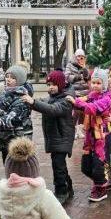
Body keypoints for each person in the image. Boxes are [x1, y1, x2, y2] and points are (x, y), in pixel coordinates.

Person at [22, 69, 76, 205]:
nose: (50, 87)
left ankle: (61, 192)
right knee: (59, 165)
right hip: (56, 138)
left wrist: (33, 102)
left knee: (58, 166)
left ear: (61, 84)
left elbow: (53, 109)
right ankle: (68, 187)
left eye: (53, 84)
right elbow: (43, 102)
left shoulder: (66, 100)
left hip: (62, 138)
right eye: (48, 85)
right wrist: (29, 100)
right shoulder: (53, 97)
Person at [67, 68, 111, 202]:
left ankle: (101, 188)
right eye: (93, 82)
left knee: (98, 164)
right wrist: (73, 100)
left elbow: (93, 108)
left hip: (101, 136)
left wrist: (76, 102)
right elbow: (82, 100)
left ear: (104, 84)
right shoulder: (91, 95)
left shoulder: (107, 98)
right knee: (86, 166)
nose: (95, 85)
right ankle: (100, 183)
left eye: (98, 83)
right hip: (90, 136)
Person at [0, 64, 33, 162]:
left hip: (18, 143)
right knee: (7, 167)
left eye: (12, 78)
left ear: (20, 80)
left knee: (17, 169)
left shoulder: (22, 98)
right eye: (7, 76)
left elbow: (10, 120)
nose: (8, 80)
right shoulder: (4, 95)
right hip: (5, 140)